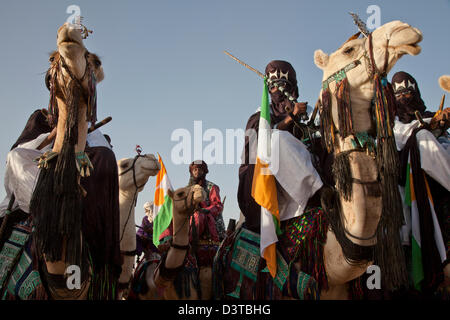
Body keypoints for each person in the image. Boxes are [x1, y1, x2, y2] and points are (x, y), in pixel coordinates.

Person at [391, 71, 450, 297]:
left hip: (438, 178)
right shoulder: (391, 127)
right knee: (423, 139)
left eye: (408, 91)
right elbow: (397, 158)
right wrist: (427, 129)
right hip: (409, 180)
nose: (405, 97)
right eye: (399, 94)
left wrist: (440, 123)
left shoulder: (429, 115)